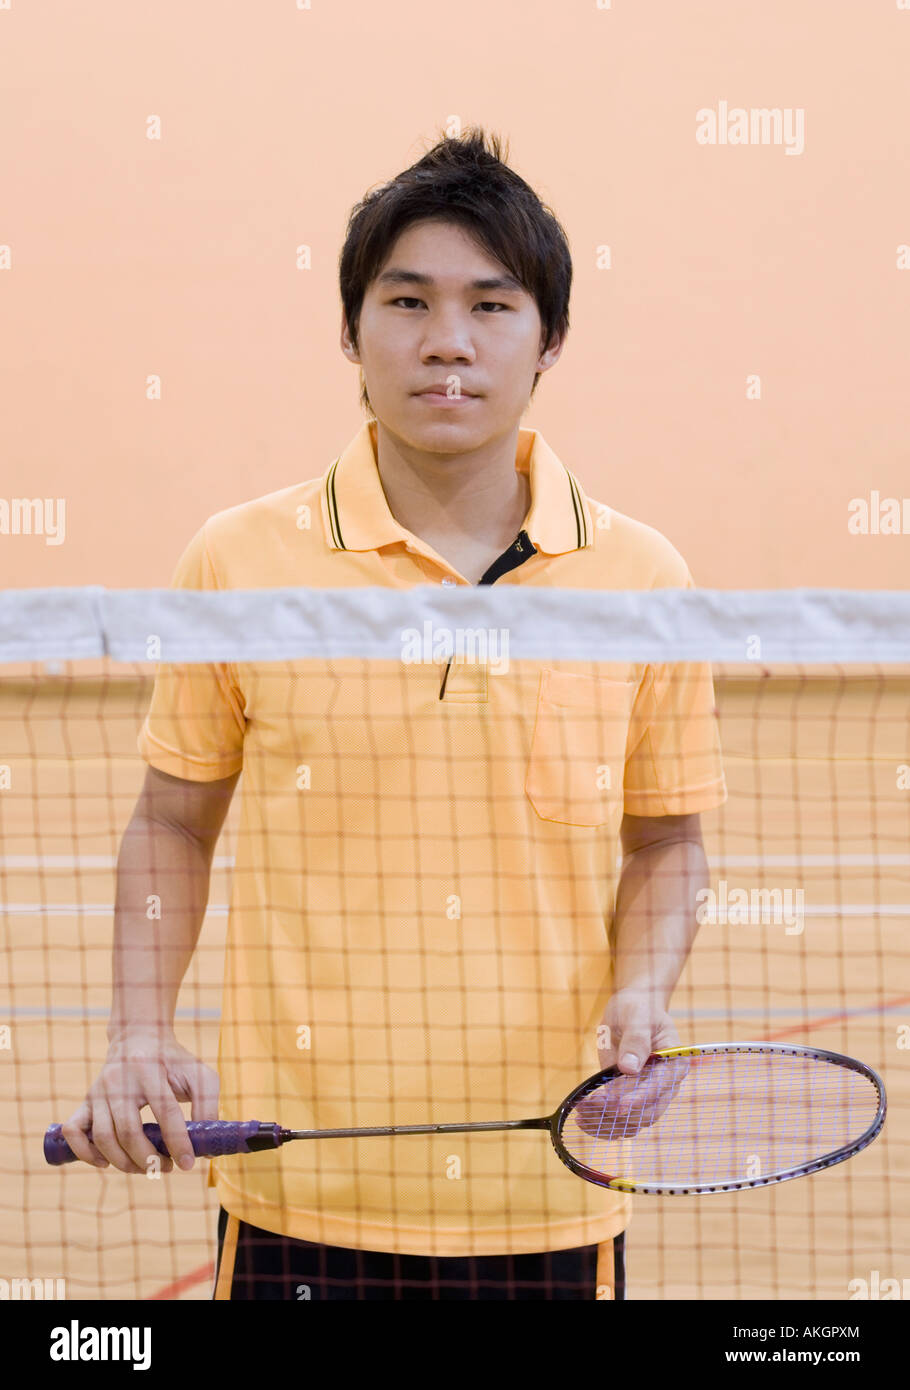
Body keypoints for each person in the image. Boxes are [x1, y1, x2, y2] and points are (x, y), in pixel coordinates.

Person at [62, 127, 727, 1300]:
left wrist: (643, 986)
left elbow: (668, 837)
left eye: (491, 304)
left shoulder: (641, 577)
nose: (447, 343)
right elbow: (172, 821)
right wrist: (137, 1030)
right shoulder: (239, 559)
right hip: (294, 1187)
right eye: (407, 300)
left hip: (548, 1191)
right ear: (351, 331)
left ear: (548, 338)